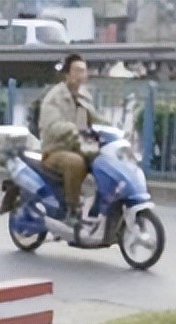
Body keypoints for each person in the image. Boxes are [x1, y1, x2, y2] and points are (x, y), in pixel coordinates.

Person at [38, 53, 106, 227]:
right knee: (75, 163)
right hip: (55, 150)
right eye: (76, 71)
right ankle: (72, 210)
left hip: (81, 146)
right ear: (67, 74)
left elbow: (96, 120)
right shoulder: (54, 97)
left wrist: (113, 131)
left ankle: (99, 209)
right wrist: (72, 130)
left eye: (83, 71)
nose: (80, 75)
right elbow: (52, 126)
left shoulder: (85, 96)